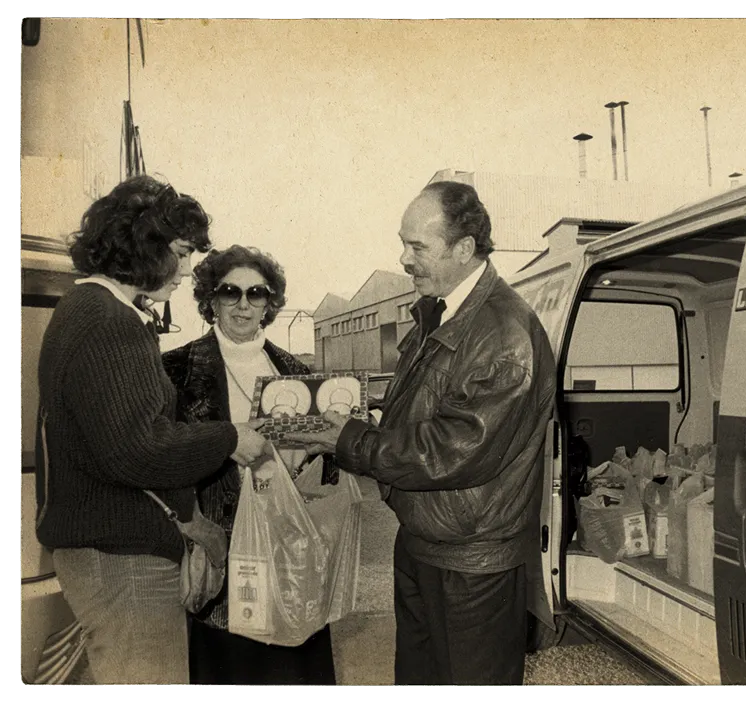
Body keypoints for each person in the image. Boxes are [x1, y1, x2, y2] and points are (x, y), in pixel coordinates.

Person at [287, 181, 557, 685]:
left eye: (417, 247)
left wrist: (349, 440)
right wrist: (360, 410)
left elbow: (456, 449)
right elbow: (424, 411)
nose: (404, 259)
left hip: (470, 563)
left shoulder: (503, 333)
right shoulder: (440, 314)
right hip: (425, 540)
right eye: (403, 242)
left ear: (464, 249)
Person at [34, 176, 269, 685]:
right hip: (121, 559)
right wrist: (232, 438)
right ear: (144, 244)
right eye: (182, 253)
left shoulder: (87, 311)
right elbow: (139, 448)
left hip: (107, 552)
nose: (187, 269)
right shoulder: (107, 320)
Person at [162, 245, 336, 686]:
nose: (243, 304)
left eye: (255, 294)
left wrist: (322, 451)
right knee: (231, 670)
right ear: (211, 300)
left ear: (269, 303)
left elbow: (328, 472)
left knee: (293, 670)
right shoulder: (176, 369)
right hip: (222, 551)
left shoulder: (295, 370)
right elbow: (163, 456)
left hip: (289, 546)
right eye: (230, 292)